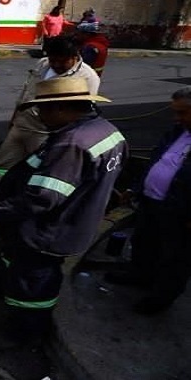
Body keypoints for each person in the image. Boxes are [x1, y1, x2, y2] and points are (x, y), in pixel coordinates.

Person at [0, 77, 127, 350]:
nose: (38, 115)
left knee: (32, 281)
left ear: (61, 108)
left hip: (49, 230)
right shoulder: (105, 130)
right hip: (70, 220)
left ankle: (23, 332)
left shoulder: (71, 145)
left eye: (42, 109)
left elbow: (41, 198)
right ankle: (1, 285)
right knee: (13, 261)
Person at [0, 35, 100, 205]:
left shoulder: (88, 77)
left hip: (47, 132)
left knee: (35, 171)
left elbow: (80, 114)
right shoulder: (42, 64)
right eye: (52, 60)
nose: (55, 65)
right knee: (2, 165)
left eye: (61, 62)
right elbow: (26, 91)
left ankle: (19, 207)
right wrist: (15, 117)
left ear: (75, 56)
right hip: (23, 124)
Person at [105, 87, 191, 315]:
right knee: (144, 242)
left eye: (183, 113)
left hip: (180, 211)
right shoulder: (177, 132)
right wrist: (135, 187)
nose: (177, 118)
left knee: (174, 257)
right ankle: (139, 274)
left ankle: (160, 298)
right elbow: (157, 160)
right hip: (152, 200)